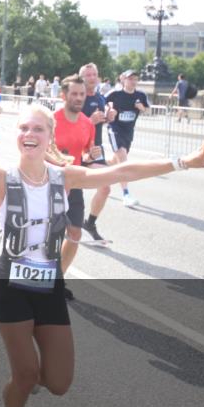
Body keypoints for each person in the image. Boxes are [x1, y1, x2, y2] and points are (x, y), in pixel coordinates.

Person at [0, 106, 204, 407]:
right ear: (16, 135)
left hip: (49, 283)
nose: (30, 134)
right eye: (24, 127)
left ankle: (28, 385)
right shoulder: (2, 177)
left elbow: (120, 171)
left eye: (38, 129)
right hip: (10, 283)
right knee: (25, 374)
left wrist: (182, 162)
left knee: (58, 383)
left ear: (49, 136)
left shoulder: (64, 177)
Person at [50, 75, 102, 300]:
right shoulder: (50, 120)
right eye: (74, 94)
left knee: (75, 233)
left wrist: (90, 155)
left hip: (75, 185)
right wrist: (57, 158)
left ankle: (57, 279)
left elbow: (84, 153)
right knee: (50, 235)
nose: (79, 98)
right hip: (49, 184)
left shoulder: (87, 123)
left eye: (82, 94)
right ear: (63, 95)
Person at [79, 62, 117, 241]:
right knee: (71, 188)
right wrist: (89, 120)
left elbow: (99, 122)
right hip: (76, 148)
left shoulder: (101, 98)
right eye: (88, 75)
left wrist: (109, 118)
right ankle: (64, 223)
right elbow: (69, 123)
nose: (92, 78)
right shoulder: (76, 97)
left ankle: (90, 223)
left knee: (105, 187)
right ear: (81, 78)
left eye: (94, 74)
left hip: (95, 148)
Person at [105, 70, 149, 207]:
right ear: (123, 80)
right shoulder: (115, 94)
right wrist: (109, 110)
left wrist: (142, 108)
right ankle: (126, 195)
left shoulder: (140, 95)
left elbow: (148, 110)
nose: (133, 81)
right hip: (115, 130)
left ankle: (99, 169)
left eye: (135, 79)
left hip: (128, 132)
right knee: (123, 161)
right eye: (130, 79)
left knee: (115, 160)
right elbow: (103, 103)